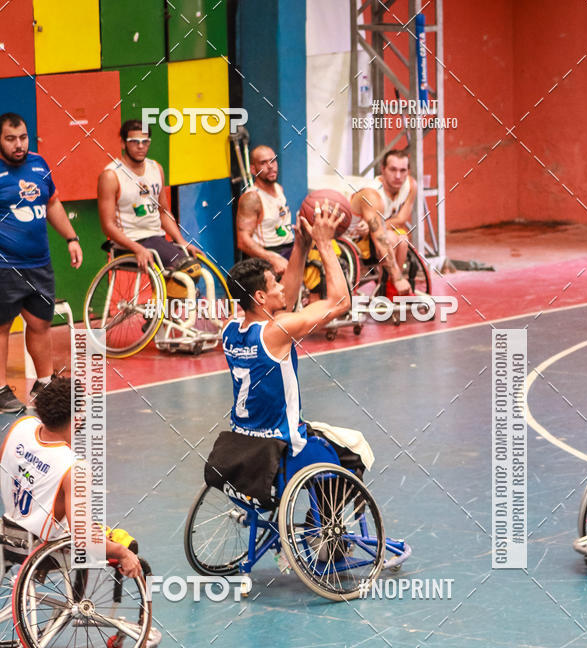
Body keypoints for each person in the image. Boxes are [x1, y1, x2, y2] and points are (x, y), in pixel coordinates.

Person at [224, 202, 349, 456]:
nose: (282, 287)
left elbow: (285, 304)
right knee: (351, 451)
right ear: (260, 297)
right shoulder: (277, 330)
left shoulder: (230, 326)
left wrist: (301, 247)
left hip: (243, 440)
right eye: (274, 285)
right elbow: (340, 302)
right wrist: (324, 243)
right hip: (283, 441)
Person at [0, 376, 141, 577]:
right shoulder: (75, 467)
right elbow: (83, 539)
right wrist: (121, 553)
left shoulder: (21, 426)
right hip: (40, 550)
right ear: (77, 418)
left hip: (7, 534)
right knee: (123, 542)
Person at [0, 112, 83, 413]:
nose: (18, 144)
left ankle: (44, 382)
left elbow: (52, 203)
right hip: (5, 265)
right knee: (2, 326)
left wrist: (71, 238)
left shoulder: (39, 164)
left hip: (39, 263)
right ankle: (0, 390)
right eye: (10, 139)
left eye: (22, 137)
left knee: (40, 323)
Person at [97, 119, 201, 273]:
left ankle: (175, 297)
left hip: (156, 239)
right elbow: (108, 226)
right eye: (134, 141)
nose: (140, 146)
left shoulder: (156, 169)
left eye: (145, 141)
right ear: (123, 144)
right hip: (130, 241)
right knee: (188, 269)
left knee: (195, 263)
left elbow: (163, 212)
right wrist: (136, 248)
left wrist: (182, 241)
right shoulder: (111, 176)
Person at [350, 147, 417, 294]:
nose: (398, 176)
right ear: (383, 169)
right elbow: (380, 238)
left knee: (403, 239)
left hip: (375, 232)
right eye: (393, 170)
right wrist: (399, 277)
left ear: (408, 171)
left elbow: (401, 218)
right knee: (391, 238)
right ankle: (389, 284)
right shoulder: (372, 194)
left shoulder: (410, 185)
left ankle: (388, 286)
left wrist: (374, 226)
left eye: (403, 170)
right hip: (354, 238)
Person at [235, 145, 294, 276]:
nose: (270, 166)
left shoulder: (279, 189)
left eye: (273, 160)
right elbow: (243, 241)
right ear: (253, 169)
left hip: (288, 249)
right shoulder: (252, 198)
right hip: (268, 257)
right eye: (263, 163)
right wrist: (272, 258)